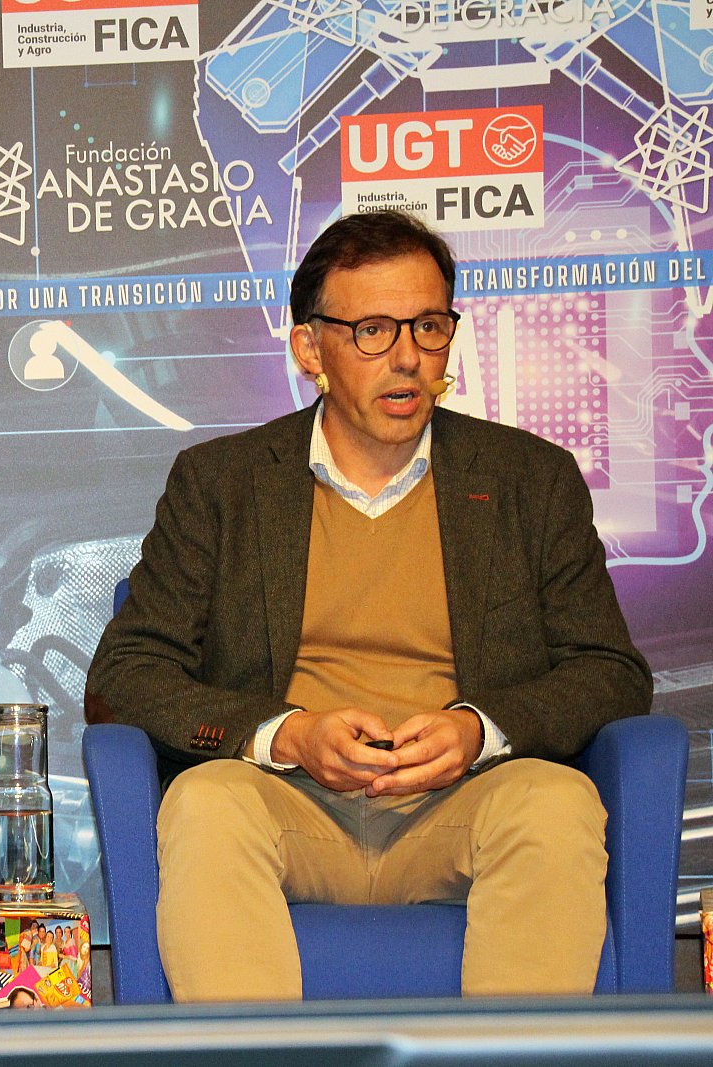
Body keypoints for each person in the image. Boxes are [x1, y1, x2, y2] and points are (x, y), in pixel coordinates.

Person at [85, 210, 652, 1000]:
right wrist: (288, 734)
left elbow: (611, 672)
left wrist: (477, 730)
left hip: (462, 805)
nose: (409, 358)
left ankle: (511, 1058)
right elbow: (126, 675)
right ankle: (256, 1058)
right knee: (205, 801)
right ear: (309, 348)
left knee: (556, 803)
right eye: (374, 331)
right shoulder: (223, 484)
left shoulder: (530, 479)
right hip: (291, 806)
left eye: (429, 326)